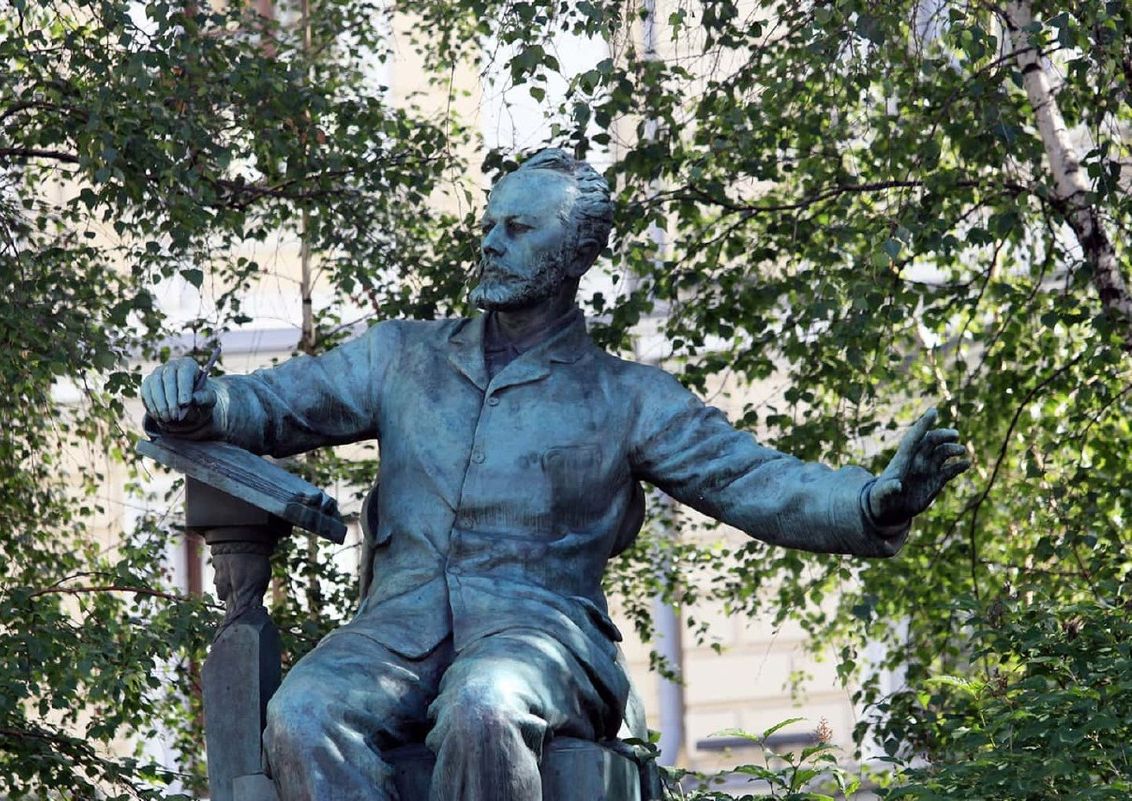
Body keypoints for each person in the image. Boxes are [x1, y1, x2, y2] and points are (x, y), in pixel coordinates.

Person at [141, 149, 968, 801]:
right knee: (303, 712)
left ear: (576, 252)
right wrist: (202, 399)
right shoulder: (402, 357)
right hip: (394, 630)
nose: (490, 242)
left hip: (540, 639)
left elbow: (755, 481)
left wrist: (872, 501)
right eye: (490, 224)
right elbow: (277, 403)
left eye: (517, 228)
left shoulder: (625, 398)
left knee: (485, 704)